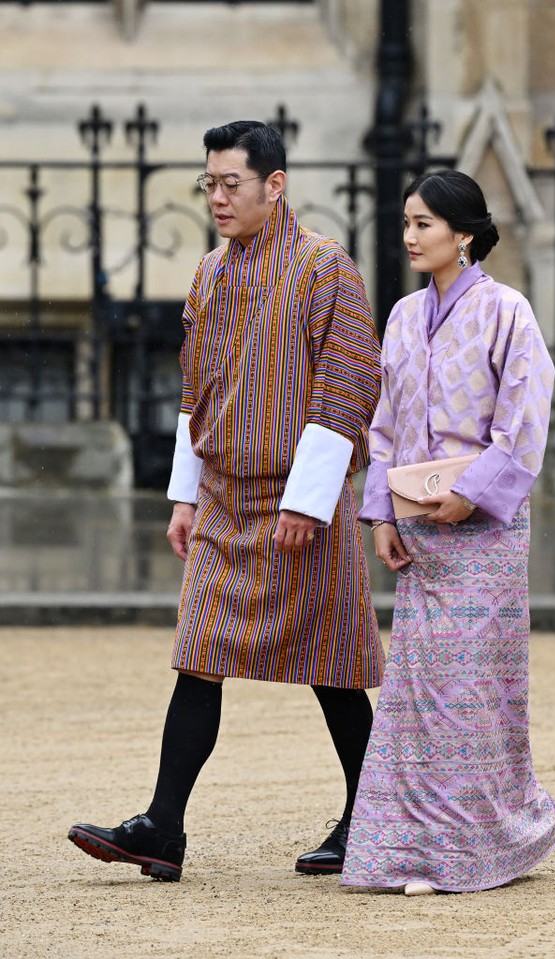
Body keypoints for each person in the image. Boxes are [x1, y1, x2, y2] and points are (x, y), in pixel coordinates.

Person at [68, 120, 385, 881]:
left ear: (274, 186)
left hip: (302, 504)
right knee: (198, 655)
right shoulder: (208, 272)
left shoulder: (324, 268)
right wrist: (184, 494)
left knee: (332, 665)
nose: (217, 196)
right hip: (223, 500)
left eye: (230, 183)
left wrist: (307, 503)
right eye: (209, 182)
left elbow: (345, 389)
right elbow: (195, 392)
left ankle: (373, 819)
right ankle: (162, 828)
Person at [340, 169, 555, 896]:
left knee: (472, 687)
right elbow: (382, 422)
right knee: (418, 689)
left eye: (425, 224)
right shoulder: (403, 315)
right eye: (407, 221)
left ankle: (482, 843)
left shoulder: (508, 311)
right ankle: (410, 849)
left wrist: (472, 494)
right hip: (420, 530)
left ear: (463, 233)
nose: (410, 236)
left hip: (486, 532)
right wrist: (380, 514)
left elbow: (526, 420)